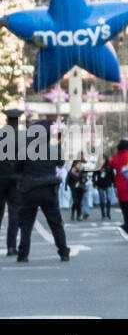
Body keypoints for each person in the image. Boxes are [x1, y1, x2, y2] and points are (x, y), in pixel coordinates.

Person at [14, 120, 70, 263]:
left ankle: (23, 254)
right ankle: (63, 252)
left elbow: (18, 168)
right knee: (55, 223)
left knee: (26, 224)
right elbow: (61, 163)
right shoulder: (53, 149)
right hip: (48, 190)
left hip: (29, 190)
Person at [0, 109, 22, 255]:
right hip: (15, 179)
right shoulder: (22, 137)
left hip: (0, 178)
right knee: (14, 212)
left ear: (7, 120)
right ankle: (11, 246)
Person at [108, 138, 128, 234]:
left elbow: (109, 167)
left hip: (120, 187)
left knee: (125, 209)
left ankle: (127, 225)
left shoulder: (115, 158)